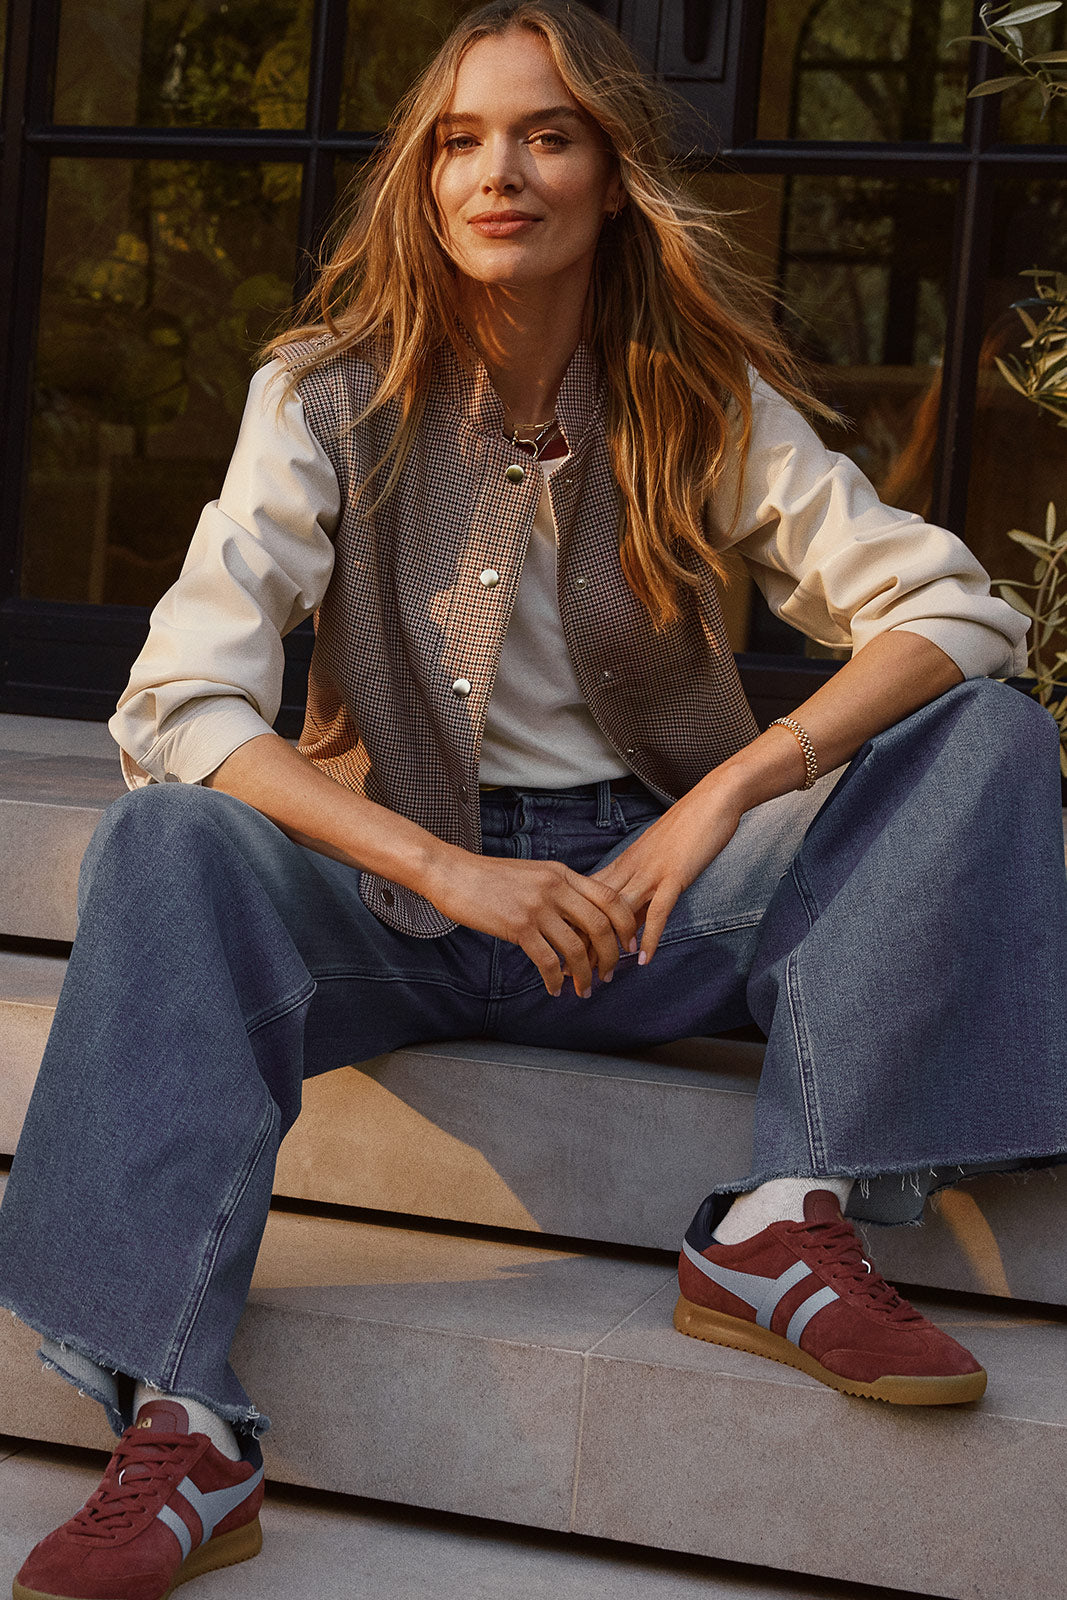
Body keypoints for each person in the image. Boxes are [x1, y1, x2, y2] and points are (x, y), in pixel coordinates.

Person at [4, 3, 1067, 1597]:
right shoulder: (324, 395)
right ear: (426, 182)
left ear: (611, 175)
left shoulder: (698, 395)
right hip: (395, 911)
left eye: (546, 134)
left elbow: (959, 608)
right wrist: (445, 870)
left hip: (653, 902)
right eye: (461, 140)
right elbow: (177, 700)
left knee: (983, 732)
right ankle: (184, 1426)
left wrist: (724, 796)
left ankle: (783, 1220)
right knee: (163, 835)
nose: (499, 171)